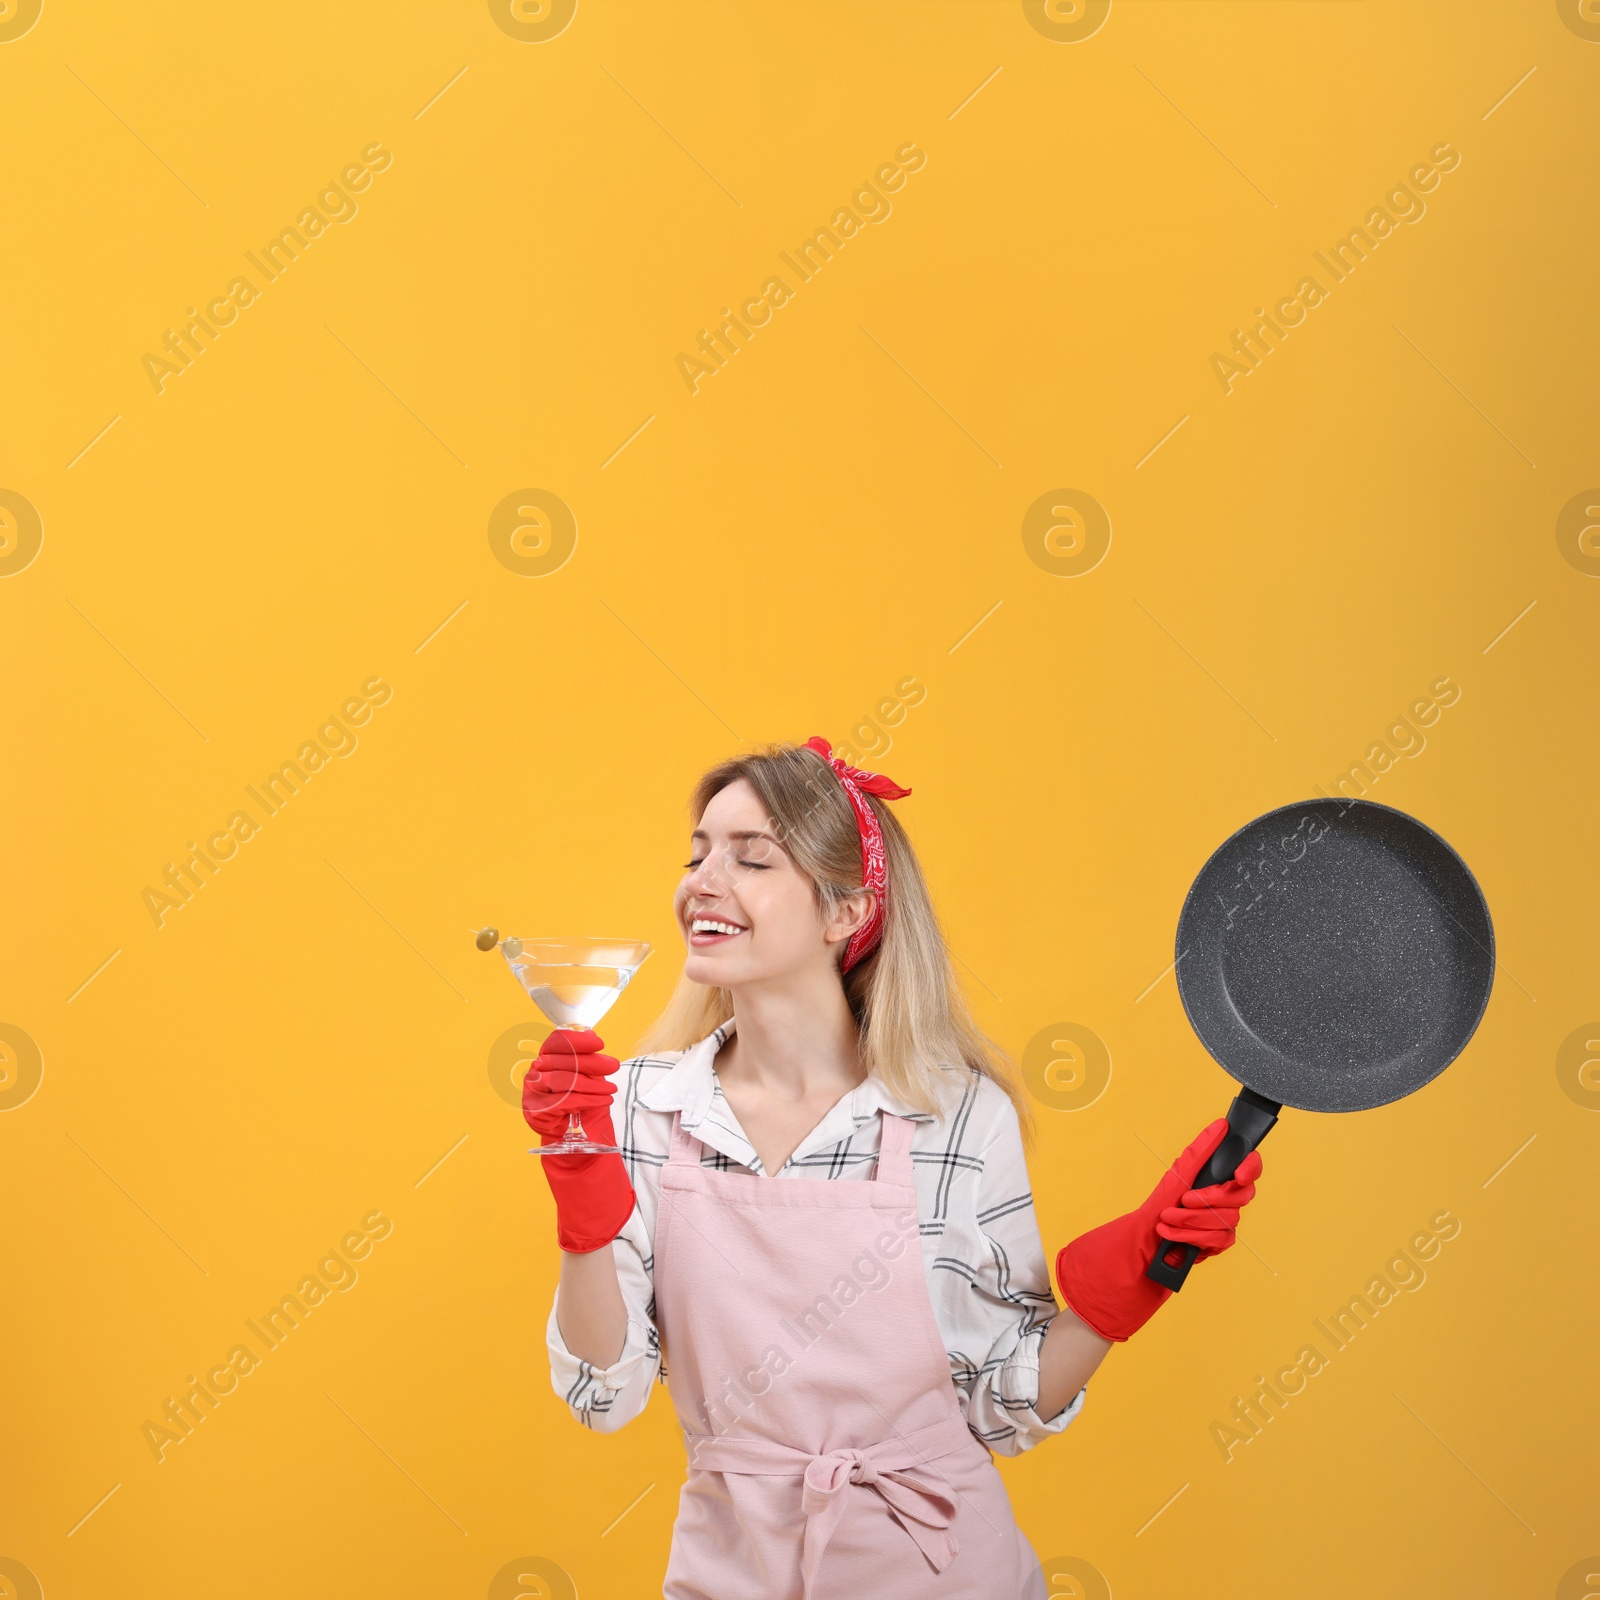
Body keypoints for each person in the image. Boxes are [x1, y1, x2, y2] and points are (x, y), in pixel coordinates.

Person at [525, 738, 1263, 1599]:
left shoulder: (955, 1113)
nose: (701, 883)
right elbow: (604, 1397)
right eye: (697, 856)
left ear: (846, 912)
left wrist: (1115, 1301)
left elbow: (999, 1409)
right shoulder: (640, 1108)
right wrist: (585, 1217)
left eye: (750, 858)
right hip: (733, 1573)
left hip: (944, 1572)